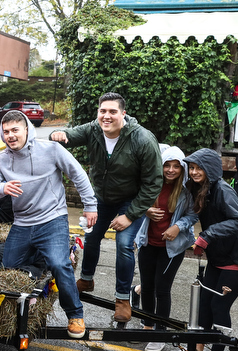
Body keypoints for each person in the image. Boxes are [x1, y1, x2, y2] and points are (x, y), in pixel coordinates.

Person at [50, 92, 162, 323]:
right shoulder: (93, 130)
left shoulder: (142, 139)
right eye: (103, 111)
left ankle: (122, 299)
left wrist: (130, 215)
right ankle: (87, 279)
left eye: (112, 111)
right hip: (101, 197)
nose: (106, 116)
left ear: (123, 114)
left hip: (131, 200)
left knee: (123, 245)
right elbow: (69, 135)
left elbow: (153, 183)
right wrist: (57, 133)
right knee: (91, 237)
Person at [0, 111, 96, 338]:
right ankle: (41, 255)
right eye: (6, 132)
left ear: (26, 129)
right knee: (11, 263)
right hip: (23, 223)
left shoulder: (51, 150)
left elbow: (78, 174)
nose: (11, 135)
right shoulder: (2, 159)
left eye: (15, 130)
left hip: (52, 219)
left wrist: (90, 205)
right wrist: (1, 188)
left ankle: (75, 314)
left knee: (59, 263)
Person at [168, 148, 238, 351]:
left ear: (210, 168)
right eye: (191, 168)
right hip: (219, 257)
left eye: (199, 167)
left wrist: (207, 236)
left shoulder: (222, 189)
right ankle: (195, 350)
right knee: (203, 305)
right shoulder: (200, 188)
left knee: (219, 305)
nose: (194, 171)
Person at [133, 146, 197, 351]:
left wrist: (178, 227)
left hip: (172, 248)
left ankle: (160, 332)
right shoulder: (149, 186)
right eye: (166, 165)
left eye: (176, 166)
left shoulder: (187, 191)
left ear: (182, 169)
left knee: (162, 289)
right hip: (147, 243)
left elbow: (193, 215)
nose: (170, 170)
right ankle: (147, 326)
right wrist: (145, 210)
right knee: (148, 286)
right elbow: (133, 204)